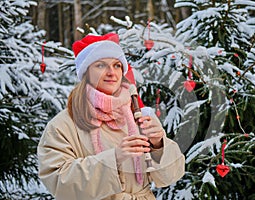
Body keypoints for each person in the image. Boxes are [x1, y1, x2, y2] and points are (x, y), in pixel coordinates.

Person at [37, 32, 185, 200]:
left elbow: (171, 176)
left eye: (117, 65)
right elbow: (58, 182)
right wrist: (114, 158)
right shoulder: (62, 125)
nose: (111, 72)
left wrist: (158, 145)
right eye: (100, 65)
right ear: (86, 72)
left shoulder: (140, 116)